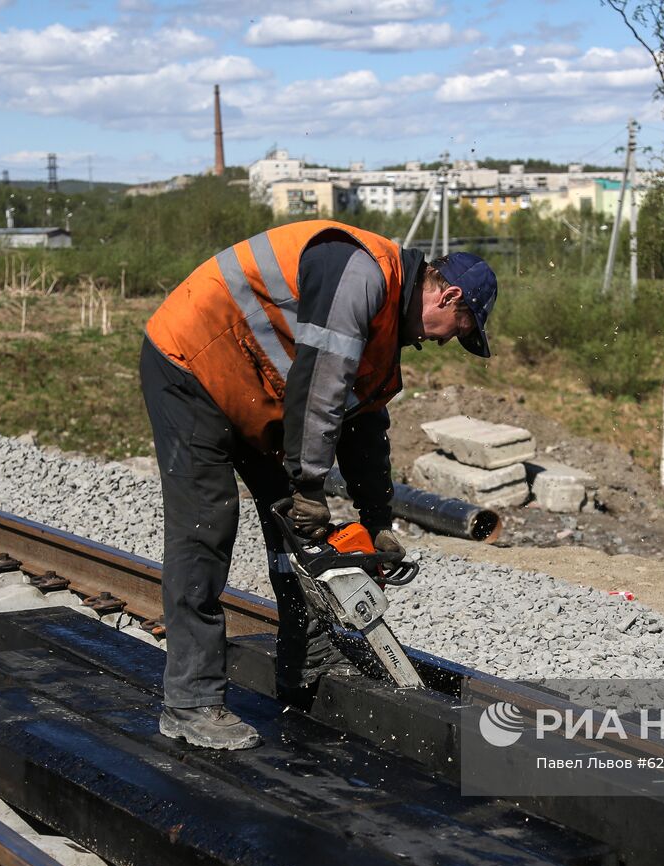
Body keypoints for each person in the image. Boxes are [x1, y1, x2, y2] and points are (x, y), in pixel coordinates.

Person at [139, 219, 498, 750]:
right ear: (447, 297)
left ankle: (305, 656)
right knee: (206, 526)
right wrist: (308, 485)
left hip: (260, 392)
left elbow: (365, 423)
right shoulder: (362, 275)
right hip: (193, 363)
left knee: (301, 535)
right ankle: (191, 701)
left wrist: (376, 520)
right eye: (459, 330)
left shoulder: (386, 332)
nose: (447, 343)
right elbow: (323, 380)